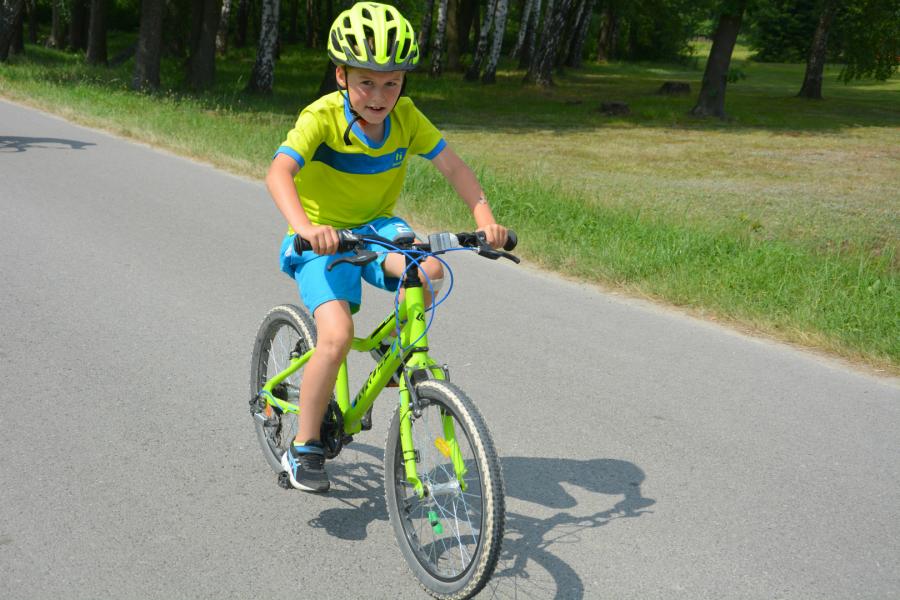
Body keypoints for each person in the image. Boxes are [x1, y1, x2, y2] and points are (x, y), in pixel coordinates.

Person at [265, 1, 509, 493]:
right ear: (341, 76)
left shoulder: (407, 118)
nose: (379, 96)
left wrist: (485, 220)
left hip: (376, 228)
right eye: (367, 82)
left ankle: (396, 352)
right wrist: (307, 227)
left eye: (392, 83)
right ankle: (304, 446)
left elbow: (453, 167)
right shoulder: (321, 117)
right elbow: (279, 172)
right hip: (322, 237)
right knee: (336, 336)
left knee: (430, 270)